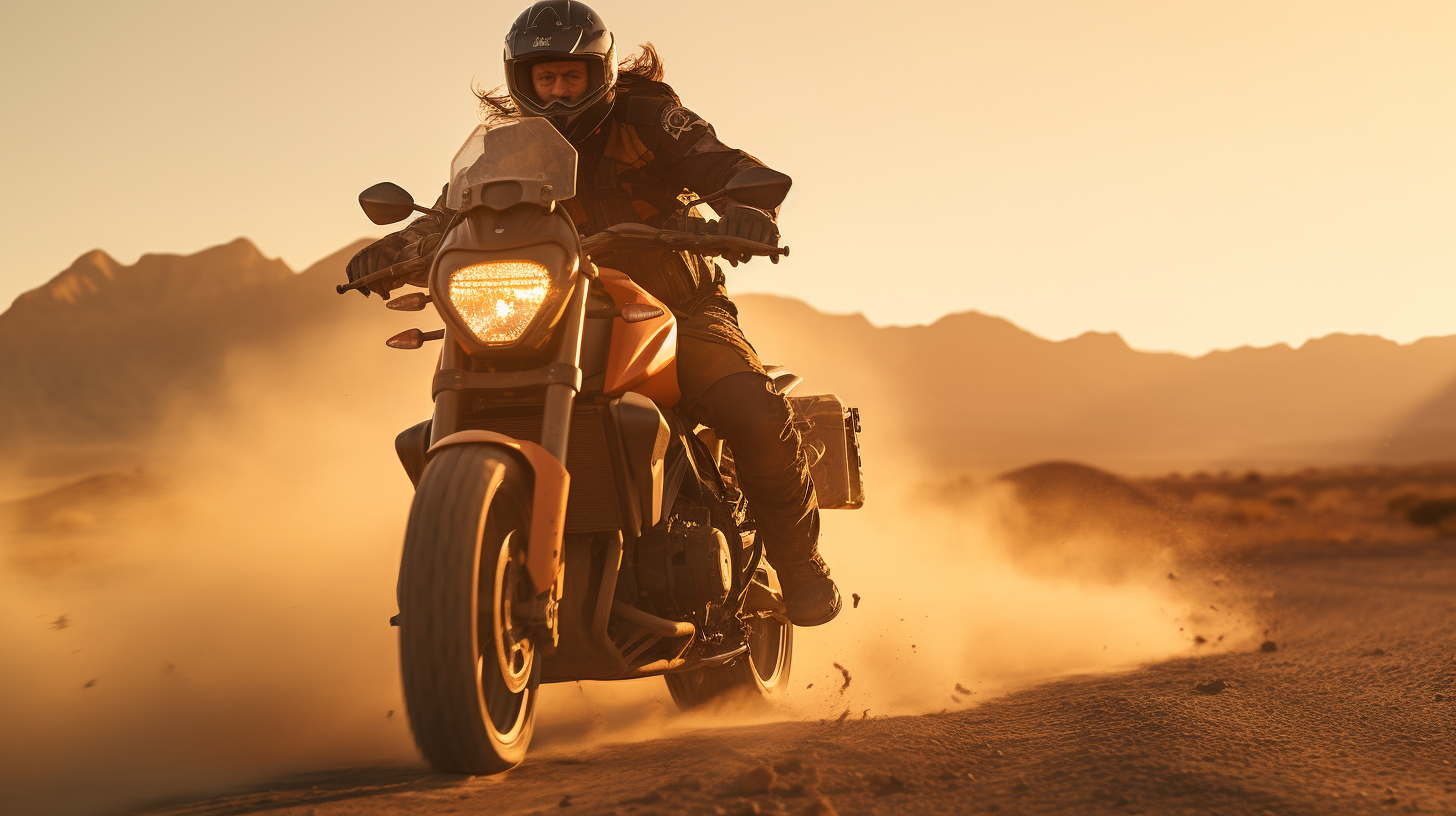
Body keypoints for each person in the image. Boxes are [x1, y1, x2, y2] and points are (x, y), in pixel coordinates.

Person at [346, 0, 840, 626]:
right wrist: (397, 248)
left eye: (570, 77)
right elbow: (453, 218)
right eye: (543, 78)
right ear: (522, 80)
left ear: (597, 73)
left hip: (672, 303)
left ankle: (800, 563)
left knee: (748, 403)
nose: (556, 92)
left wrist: (750, 208)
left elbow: (724, 164)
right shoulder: (503, 148)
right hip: (550, 312)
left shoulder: (651, 117)